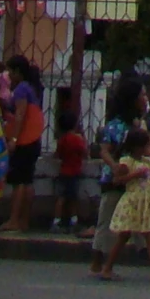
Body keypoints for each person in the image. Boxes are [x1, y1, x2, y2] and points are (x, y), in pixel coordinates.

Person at [93, 126, 150, 282]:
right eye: (146, 146)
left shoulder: (147, 161)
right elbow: (117, 180)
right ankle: (107, 268)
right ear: (137, 147)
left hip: (144, 203)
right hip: (132, 203)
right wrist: (135, 174)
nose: (148, 149)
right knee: (124, 238)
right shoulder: (127, 162)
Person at [90, 73, 145, 248]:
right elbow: (104, 150)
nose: (145, 99)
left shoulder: (136, 124)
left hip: (133, 179)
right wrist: (114, 166)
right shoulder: (116, 125)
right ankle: (99, 264)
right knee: (107, 222)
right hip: (115, 181)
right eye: (142, 95)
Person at [0, 54, 45, 232]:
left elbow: (20, 116)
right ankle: (24, 221)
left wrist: (14, 139)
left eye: (10, 71)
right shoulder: (31, 89)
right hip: (33, 140)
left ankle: (13, 220)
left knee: (19, 181)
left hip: (24, 140)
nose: (8, 75)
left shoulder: (20, 90)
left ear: (18, 72)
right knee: (27, 181)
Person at [54, 99, 88, 233]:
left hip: (64, 171)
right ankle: (73, 221)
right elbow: (85, 153)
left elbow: (58, 154)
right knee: (73, 198)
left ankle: (56, 221)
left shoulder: (62, 139)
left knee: (61, 198)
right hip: (74, 172)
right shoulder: (77, 139)